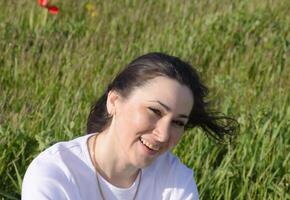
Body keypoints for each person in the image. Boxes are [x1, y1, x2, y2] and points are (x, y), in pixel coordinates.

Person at [22, 52, 237, 200]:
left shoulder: (175, 178)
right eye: (155, 111)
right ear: (114, 101)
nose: (163, 135)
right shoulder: (56, 173)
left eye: (178, 123)